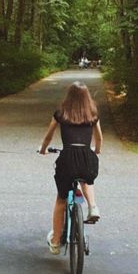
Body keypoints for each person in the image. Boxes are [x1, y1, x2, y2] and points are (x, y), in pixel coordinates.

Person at [39, 81, 103, 255]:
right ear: (87, 98)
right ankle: (92, 206)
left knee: (61, 199)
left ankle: (55, 242)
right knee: (86, 178)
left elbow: (48, 137)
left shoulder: (61, 113)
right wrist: (96, 151)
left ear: (69, 96)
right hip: (86, 158)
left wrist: (43, 150)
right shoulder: (93, 114)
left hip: (67, 159)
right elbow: (99, 139)